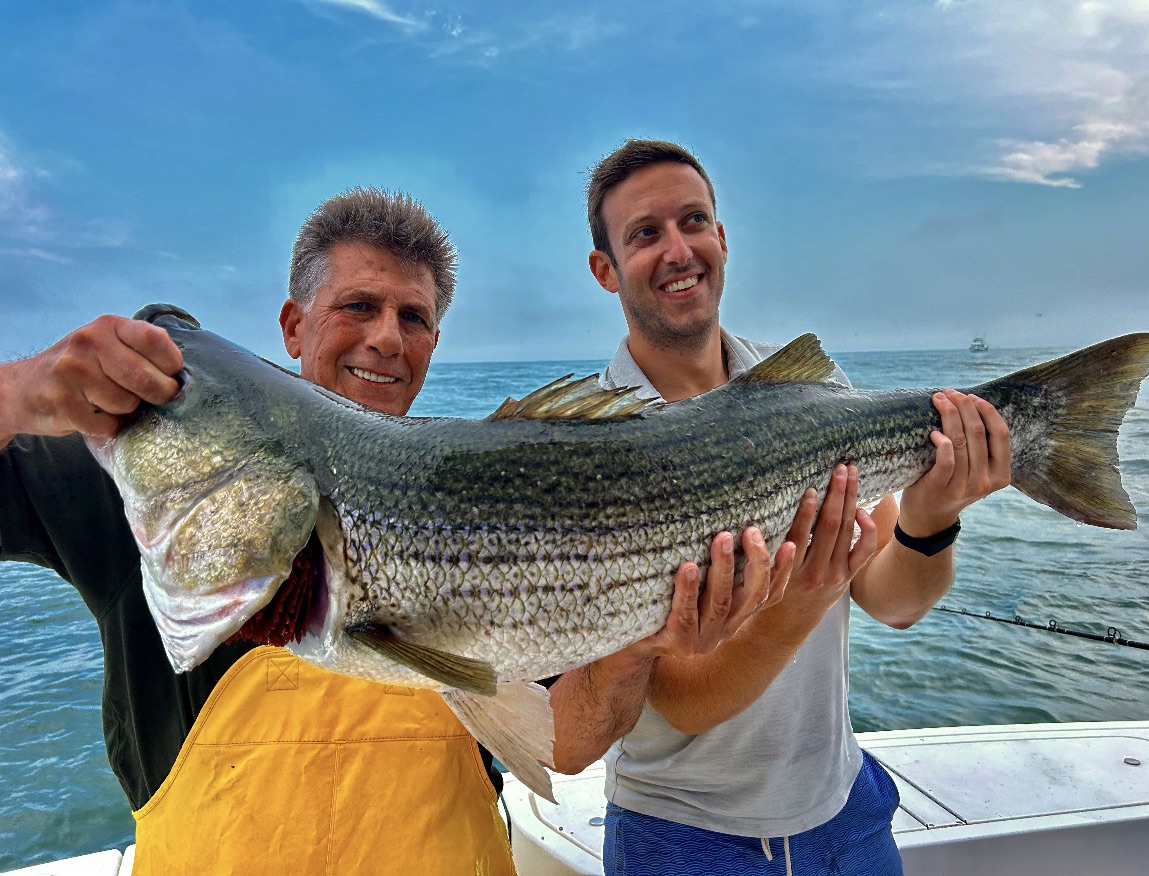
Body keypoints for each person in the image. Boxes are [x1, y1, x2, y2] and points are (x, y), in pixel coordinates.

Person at [0, 187, 787, 874]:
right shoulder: (140, 486)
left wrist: (641, 644)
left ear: (433, 344)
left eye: (413, 316)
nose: (386, 337)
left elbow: (563, 744)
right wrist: (23, 391)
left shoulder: (506, 501)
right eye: (357, 307)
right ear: (293, 326)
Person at [567, 139, 1012, 876]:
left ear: (722, 237)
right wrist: (801, 601)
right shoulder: (591, 444)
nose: (678, 250)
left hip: (846, 813)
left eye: (694, 221)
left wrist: (931, 518)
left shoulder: (807, 390)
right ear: (604, 270)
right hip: (680, 839)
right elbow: (680, 704)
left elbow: (894, 600)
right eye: (645, 234)